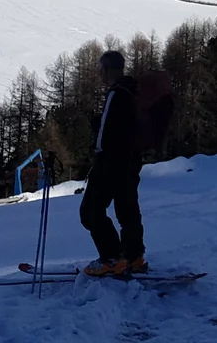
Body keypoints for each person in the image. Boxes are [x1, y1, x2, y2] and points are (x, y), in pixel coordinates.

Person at [80, 50, 148, 277]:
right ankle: (133, 257)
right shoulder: (132, 91)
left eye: (100, 69)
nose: (99, 74)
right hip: (131, 161)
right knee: (127, 209)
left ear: (107, 69)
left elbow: (106, 134)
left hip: (111, 162)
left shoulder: (117, 93)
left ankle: (111, 258)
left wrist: (99, 151)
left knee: (90, 211)